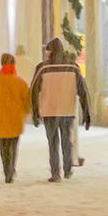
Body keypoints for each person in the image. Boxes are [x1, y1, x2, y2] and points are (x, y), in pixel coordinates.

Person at [30, 37, 91, 183]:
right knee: (66, 140)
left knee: (53, 142)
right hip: (67, 109)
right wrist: (86, 112)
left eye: (47, 51)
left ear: (50, 51)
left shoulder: (43, 68)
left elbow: (33, 91)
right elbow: (83, 91)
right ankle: (68, 169)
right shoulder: (73, 67)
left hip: (49, 110)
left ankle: (55, 173)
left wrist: (35, 111)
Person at [0, 53, 30, 183]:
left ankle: (7, 171)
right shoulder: (20, 82)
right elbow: (27, 100)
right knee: (13, 146)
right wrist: (26, 112)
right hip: (15, 119)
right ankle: (11, 169)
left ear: (1, 64)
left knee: (3, 148)